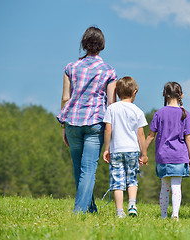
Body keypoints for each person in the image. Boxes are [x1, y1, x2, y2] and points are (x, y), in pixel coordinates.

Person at [57, 26, 117, 213]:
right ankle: (80, 211)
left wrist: (63, 126)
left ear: (84, 44)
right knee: (88, 169)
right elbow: (111, 103)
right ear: (102, 45)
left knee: (79, 169)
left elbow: (66, 98)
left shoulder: (70, 68)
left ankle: (89, 208)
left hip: (72, 122)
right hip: (95, 123)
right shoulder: (109, 71)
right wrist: (111, 130)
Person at [145, 82, 190, 221]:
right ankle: (175, 215)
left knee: (164, 187)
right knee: (176, 187)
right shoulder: (185, 114)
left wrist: (143, 151)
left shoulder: (159, 113)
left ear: (164, 95)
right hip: (179, 156)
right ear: (181, 96)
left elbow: (150, 136)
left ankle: (163, 216)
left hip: (163, 157)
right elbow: (189, 138)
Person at [102, 76, 148, 218]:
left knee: (117, 181)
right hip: (133, 150)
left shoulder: (111, 109)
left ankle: (119, 211)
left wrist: (106, 148)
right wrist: (144, 153)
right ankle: (132, 205)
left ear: (117, 93)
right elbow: (141, 134)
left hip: (116, 150)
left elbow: (107, 130)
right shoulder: (137, 111)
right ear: (134, 92)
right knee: (132, 179)